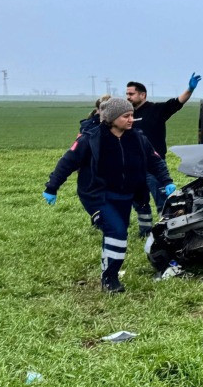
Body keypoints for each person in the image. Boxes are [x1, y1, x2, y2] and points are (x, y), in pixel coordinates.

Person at [43, 98, 176, 293]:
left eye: (132, 115)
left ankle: (108, 273)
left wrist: (167, 181)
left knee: (115, 232)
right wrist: (52, 187)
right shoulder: (91, 139)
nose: (132, 119)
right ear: (112, 118)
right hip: (98, 196)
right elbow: (67, 162)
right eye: (126, 116)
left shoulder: (138, 138)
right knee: (117, 232)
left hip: (125, 196)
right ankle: (110, 279)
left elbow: (154, 161)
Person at [127, 73, 200, 233]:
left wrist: (190, 89)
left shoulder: (156, 109)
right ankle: (144, 231)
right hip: (134, 167)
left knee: (163, 202)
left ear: (142, 94)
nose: (128, 97)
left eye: (131, 94)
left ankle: (167, 231)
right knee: (140, 202)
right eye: (127, 94)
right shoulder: (128, 115)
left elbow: (178, 103)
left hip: (154, 166)